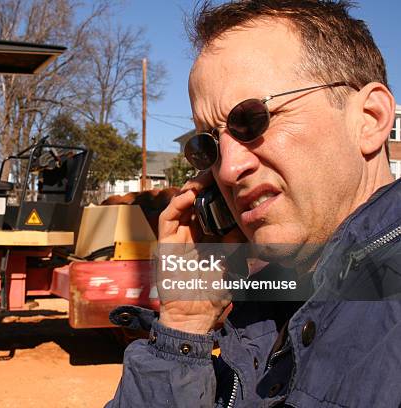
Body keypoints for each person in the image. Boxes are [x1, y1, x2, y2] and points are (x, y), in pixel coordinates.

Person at [106, 0, 400, 407]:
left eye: (251, 120)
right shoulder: (264, 306)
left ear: (369, 118)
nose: (227, 169)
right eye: (207, 145)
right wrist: (182, 332)